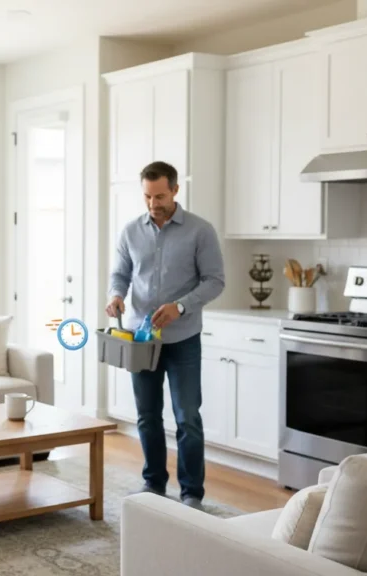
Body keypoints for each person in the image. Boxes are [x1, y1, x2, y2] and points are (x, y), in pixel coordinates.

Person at [105, 160, 225, 510]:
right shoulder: (131, 231)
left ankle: (192, 493)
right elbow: (120, 274)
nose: (153, 203)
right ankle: (154, 483)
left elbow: (215, 281)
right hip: (141, 341)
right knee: (147, 415)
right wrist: (115, 295)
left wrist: (181, 307)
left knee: (187, 417)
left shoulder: (200, 231)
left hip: (183, 338)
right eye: (147, 196)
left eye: (159, 196)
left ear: (175, 190)